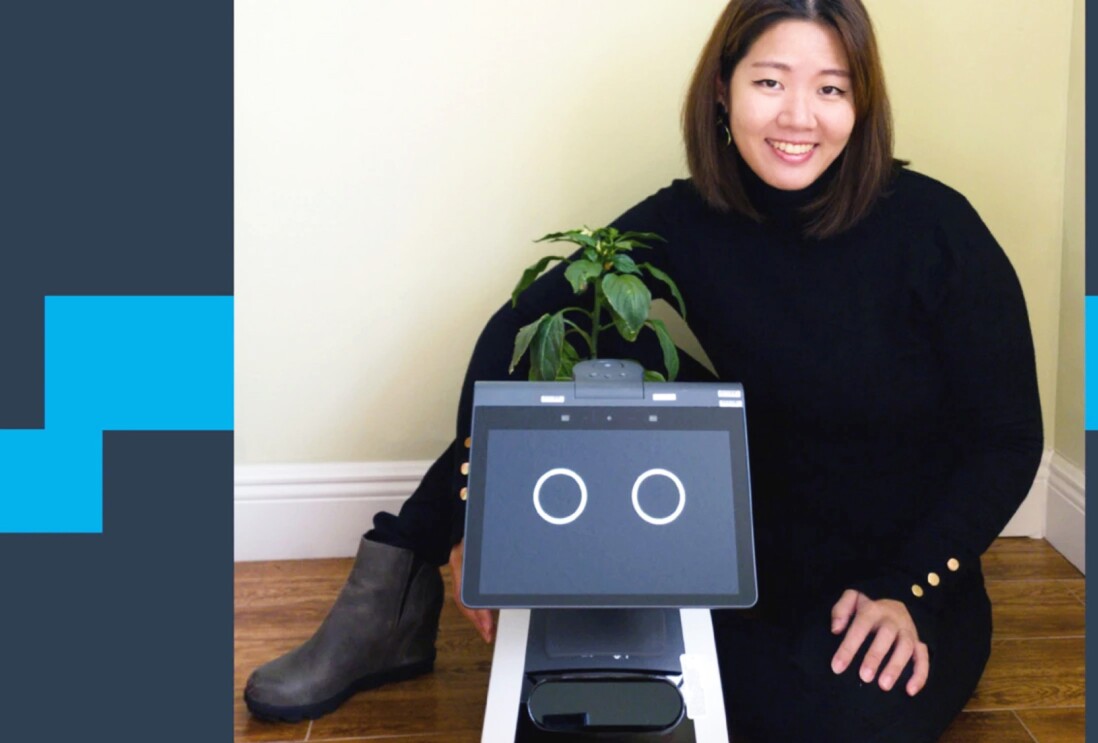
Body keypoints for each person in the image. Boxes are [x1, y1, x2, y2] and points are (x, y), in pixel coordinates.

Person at [244, 0, 1043, 740]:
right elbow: (516, 333)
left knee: (829, 717)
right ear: (723, 92)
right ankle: (399, 578)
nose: (799, 115)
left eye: (831, 88)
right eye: (770, 81)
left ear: (861, 106)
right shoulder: (688, 220)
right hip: (743, 565)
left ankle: (402, 589)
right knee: (575, 352)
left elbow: (1008, 439)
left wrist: (909, 587)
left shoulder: (937, 229)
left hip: (892, 580)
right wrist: (477, 520)